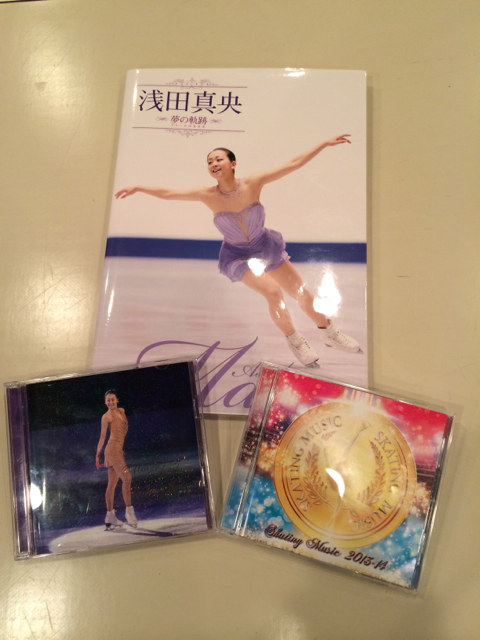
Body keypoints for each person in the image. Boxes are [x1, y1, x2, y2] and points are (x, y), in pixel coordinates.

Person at [115, 135, 361, 367]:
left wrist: (324, 144)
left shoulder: (253, 183)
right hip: (237, 256)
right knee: (273, 292)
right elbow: (169, 193)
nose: (213, 164)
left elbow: (293, 164)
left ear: (233, 164)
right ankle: (296, 341)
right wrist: (139, 187)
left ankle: (329, 333)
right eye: (209, 161)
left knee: (301, 292)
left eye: (218, 159)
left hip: (265, 247)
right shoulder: (207, 194)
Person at [96, 390, 138, 529]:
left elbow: (121, 433)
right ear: (105, 402)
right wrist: (97, 455)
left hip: (117, 450)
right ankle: (129, 512)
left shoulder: (122, 411)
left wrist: (120, 449)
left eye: (112, 399)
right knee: (127, 478)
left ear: (117, 400)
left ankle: (110, 517)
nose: (111, 402)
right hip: (111, 451)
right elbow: (103, 437)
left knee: (112, 484)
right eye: (108, 400)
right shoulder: (106, 417)